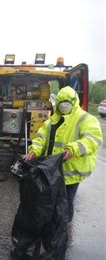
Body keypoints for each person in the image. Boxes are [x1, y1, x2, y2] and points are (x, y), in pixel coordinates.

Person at [24, 86, 102, 222]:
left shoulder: (86, 119)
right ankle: (53, 228)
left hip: (70, 171)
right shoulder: (52, 121)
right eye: (61, 102)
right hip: (52, 171)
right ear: (57, 103)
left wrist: (73, 149)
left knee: (65, 204)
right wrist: (34, 150)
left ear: (74, 101)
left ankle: (63, 231)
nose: (64, 105)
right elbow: (41, 138)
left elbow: (92, 140)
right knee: (51, 202)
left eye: (67, 102)